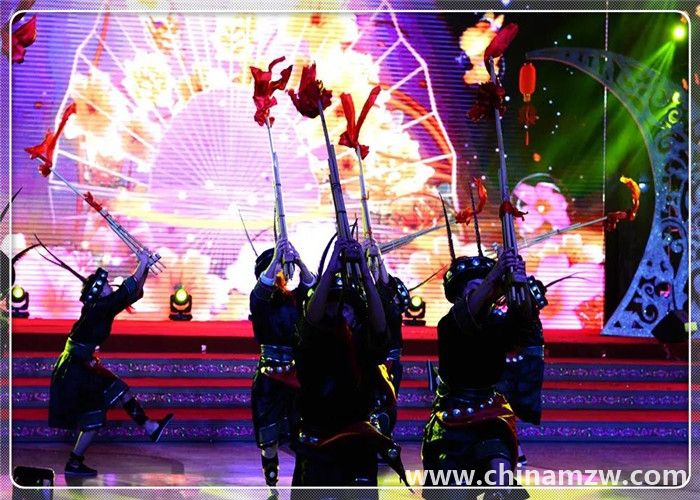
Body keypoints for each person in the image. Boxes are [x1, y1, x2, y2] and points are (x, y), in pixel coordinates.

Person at [291, 238, 408, 495]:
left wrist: (365, 273)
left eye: (347, 308)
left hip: (358, 440)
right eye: (333, 308)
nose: (341, 314)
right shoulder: (312, 343)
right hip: (318, 441)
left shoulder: (365, 344)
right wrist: (332, 268)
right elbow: (311, 321)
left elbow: (380, 327)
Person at [422, 249, 541, 499]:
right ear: (459, 297)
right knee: (452, 492)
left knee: (501, 482)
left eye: (484, 287)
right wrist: (495, 273)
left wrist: (519, 283)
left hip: (490, 414)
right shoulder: (449, 324)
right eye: (473, 289)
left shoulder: (498, 324)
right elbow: (467, 318)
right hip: (452, 418)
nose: (483, 292)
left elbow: (525, 326)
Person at [48, 249, 173, 477]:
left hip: (82, 365)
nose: (108, 285)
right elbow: (126, 290)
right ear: (98, 292)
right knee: (94, 417)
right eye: (105, 285)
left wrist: (144, 266)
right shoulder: (99, 308)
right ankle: (74, 463)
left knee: (120, 390)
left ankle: (150, 427)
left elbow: (132, 293)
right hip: (75, 369)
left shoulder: (102, 307)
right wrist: (142, 263)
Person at [249, 237, 316, 486]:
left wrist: (299, 260)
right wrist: (276, 258)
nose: (280, 271)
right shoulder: (260, 300)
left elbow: (311, 286)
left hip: (296, 376)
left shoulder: (296, 299)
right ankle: (271, 473)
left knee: (301, 433)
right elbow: (264, 285)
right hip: (269, 376)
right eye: (276, 267)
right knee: (269, 438)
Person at [364, 240, 408, 438]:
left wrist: (379, 259)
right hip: (369, 357)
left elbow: (402, 302)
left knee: (388, 400)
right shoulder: (359, 289)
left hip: (391, 359)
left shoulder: (392, 290)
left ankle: (385, 438)